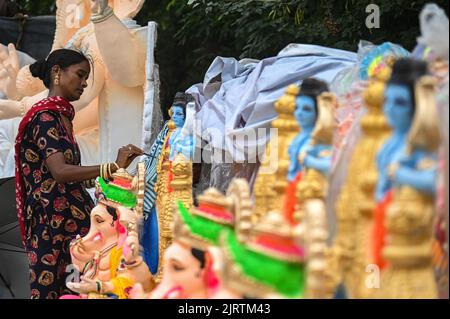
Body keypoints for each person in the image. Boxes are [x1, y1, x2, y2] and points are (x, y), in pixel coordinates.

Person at [14, 48, 143, 299]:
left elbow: (72, 179)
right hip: (50, 229)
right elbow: (61, 172)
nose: (84, 83)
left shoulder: (63, 118)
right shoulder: (44, 118)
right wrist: (111, 167)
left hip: (73, 228)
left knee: (78, 292)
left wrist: (117, 173)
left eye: (86, 78)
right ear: (57, 73)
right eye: (80, 75)